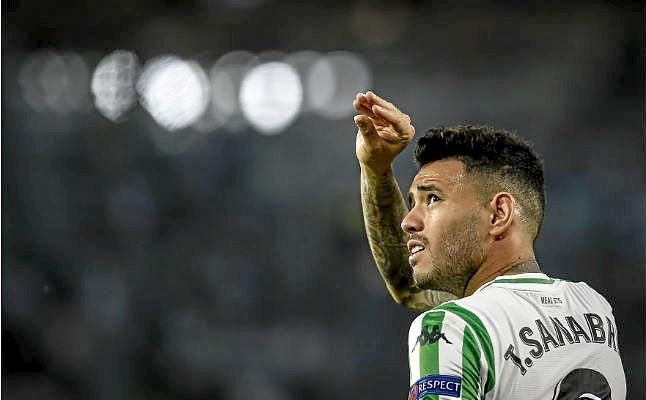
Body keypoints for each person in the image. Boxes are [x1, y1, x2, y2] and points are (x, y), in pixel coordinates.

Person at [352, 91, 626, 400]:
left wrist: (374, 169)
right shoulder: (595, 307)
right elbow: (409, 287)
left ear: (498, 214)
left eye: (433, 199)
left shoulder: (449, 328)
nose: (408, 221)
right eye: (414, 203)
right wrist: (376, 170)